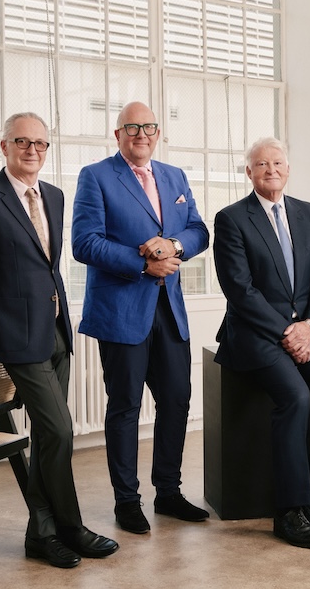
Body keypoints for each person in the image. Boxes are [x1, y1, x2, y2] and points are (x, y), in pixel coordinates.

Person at [0, 112, 119, 569]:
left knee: (48, 436)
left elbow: (47, 267)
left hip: (55, 331)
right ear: (3, 146)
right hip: (12, 337)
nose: (32, 151)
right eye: (22, 142)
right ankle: (69, 526)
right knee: (60, 431)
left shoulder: (56, 197)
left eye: (41, 144)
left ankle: (42, 534)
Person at [212, 138, 310, 549]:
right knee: (296, 397)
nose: (271, 169)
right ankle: (288, 511)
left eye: (277, 162)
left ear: (288, 168)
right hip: (258, 334)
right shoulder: (231, 219)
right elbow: (240, 291)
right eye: (261, 164)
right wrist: (288, 332)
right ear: (249, 172)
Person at [72, 101, 210, 535]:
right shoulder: (95, 177)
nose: (141, 134)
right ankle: (126, 501)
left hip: (169, 312)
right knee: (126, 407)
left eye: (149, 127)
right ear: (118, 135)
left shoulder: (175, 176)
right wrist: (141, 261)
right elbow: (84, 243)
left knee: (177, 402)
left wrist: (173, 245)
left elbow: (199, 231)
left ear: (157, 133)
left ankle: (167, 492)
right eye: (131, 128)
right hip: (121, 312)